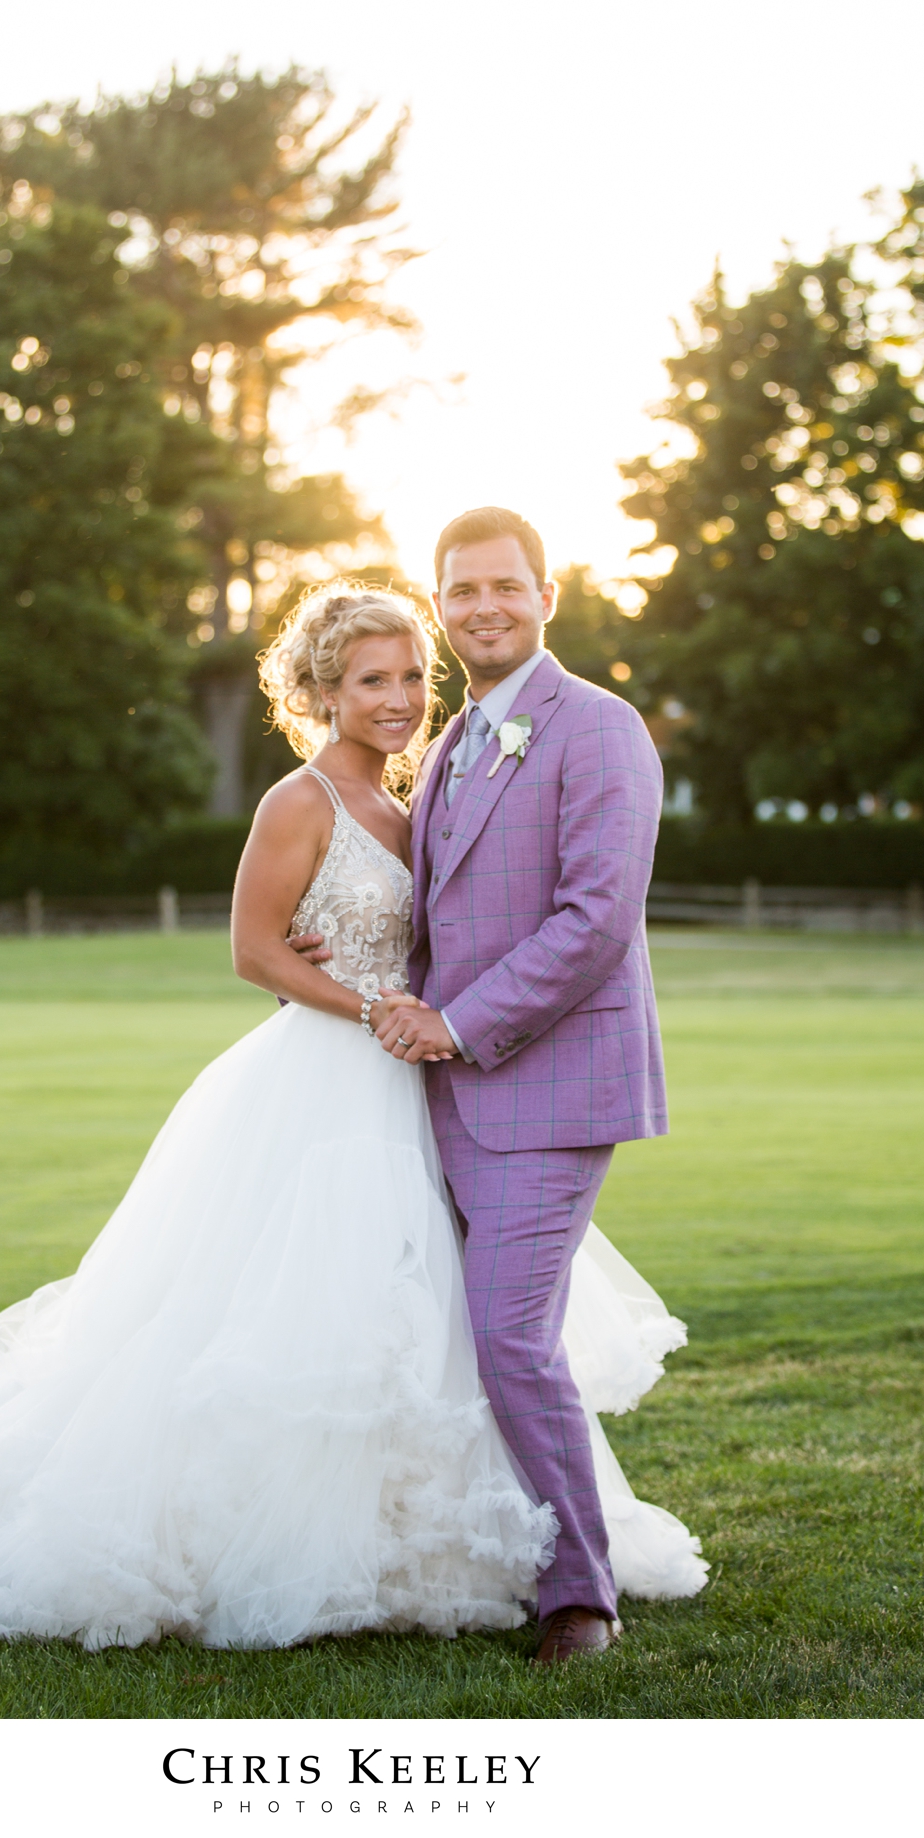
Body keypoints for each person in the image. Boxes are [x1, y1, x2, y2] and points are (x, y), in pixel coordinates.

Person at [0, 575, 704, 1657]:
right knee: (295, 1304)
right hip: (323, 1079)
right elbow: (253, 948)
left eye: (413, 674)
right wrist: (361, 999)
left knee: (420, 1314)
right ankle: (273, 1534)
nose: (401, 695)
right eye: (373, 679)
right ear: (323, 689)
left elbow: (459, 933)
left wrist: (406, 1005)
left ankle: (430, 1537)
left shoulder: (425, 795)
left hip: (419, 1077)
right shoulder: (298, 801)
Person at [293, 508, 690, 1660]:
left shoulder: (599, 728)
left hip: (551, 1084)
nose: (483, 607)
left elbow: (595, 917)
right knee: (459, 1336)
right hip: (443, 1098)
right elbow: (436, 916)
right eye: (460, 590)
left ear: (546, 594)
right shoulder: (456, 738)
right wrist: (334, 959)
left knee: (509, 1337)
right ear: (442, 601)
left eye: (505, 587)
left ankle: (579, 1593)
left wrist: (458, 1023)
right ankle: (483, 1546)